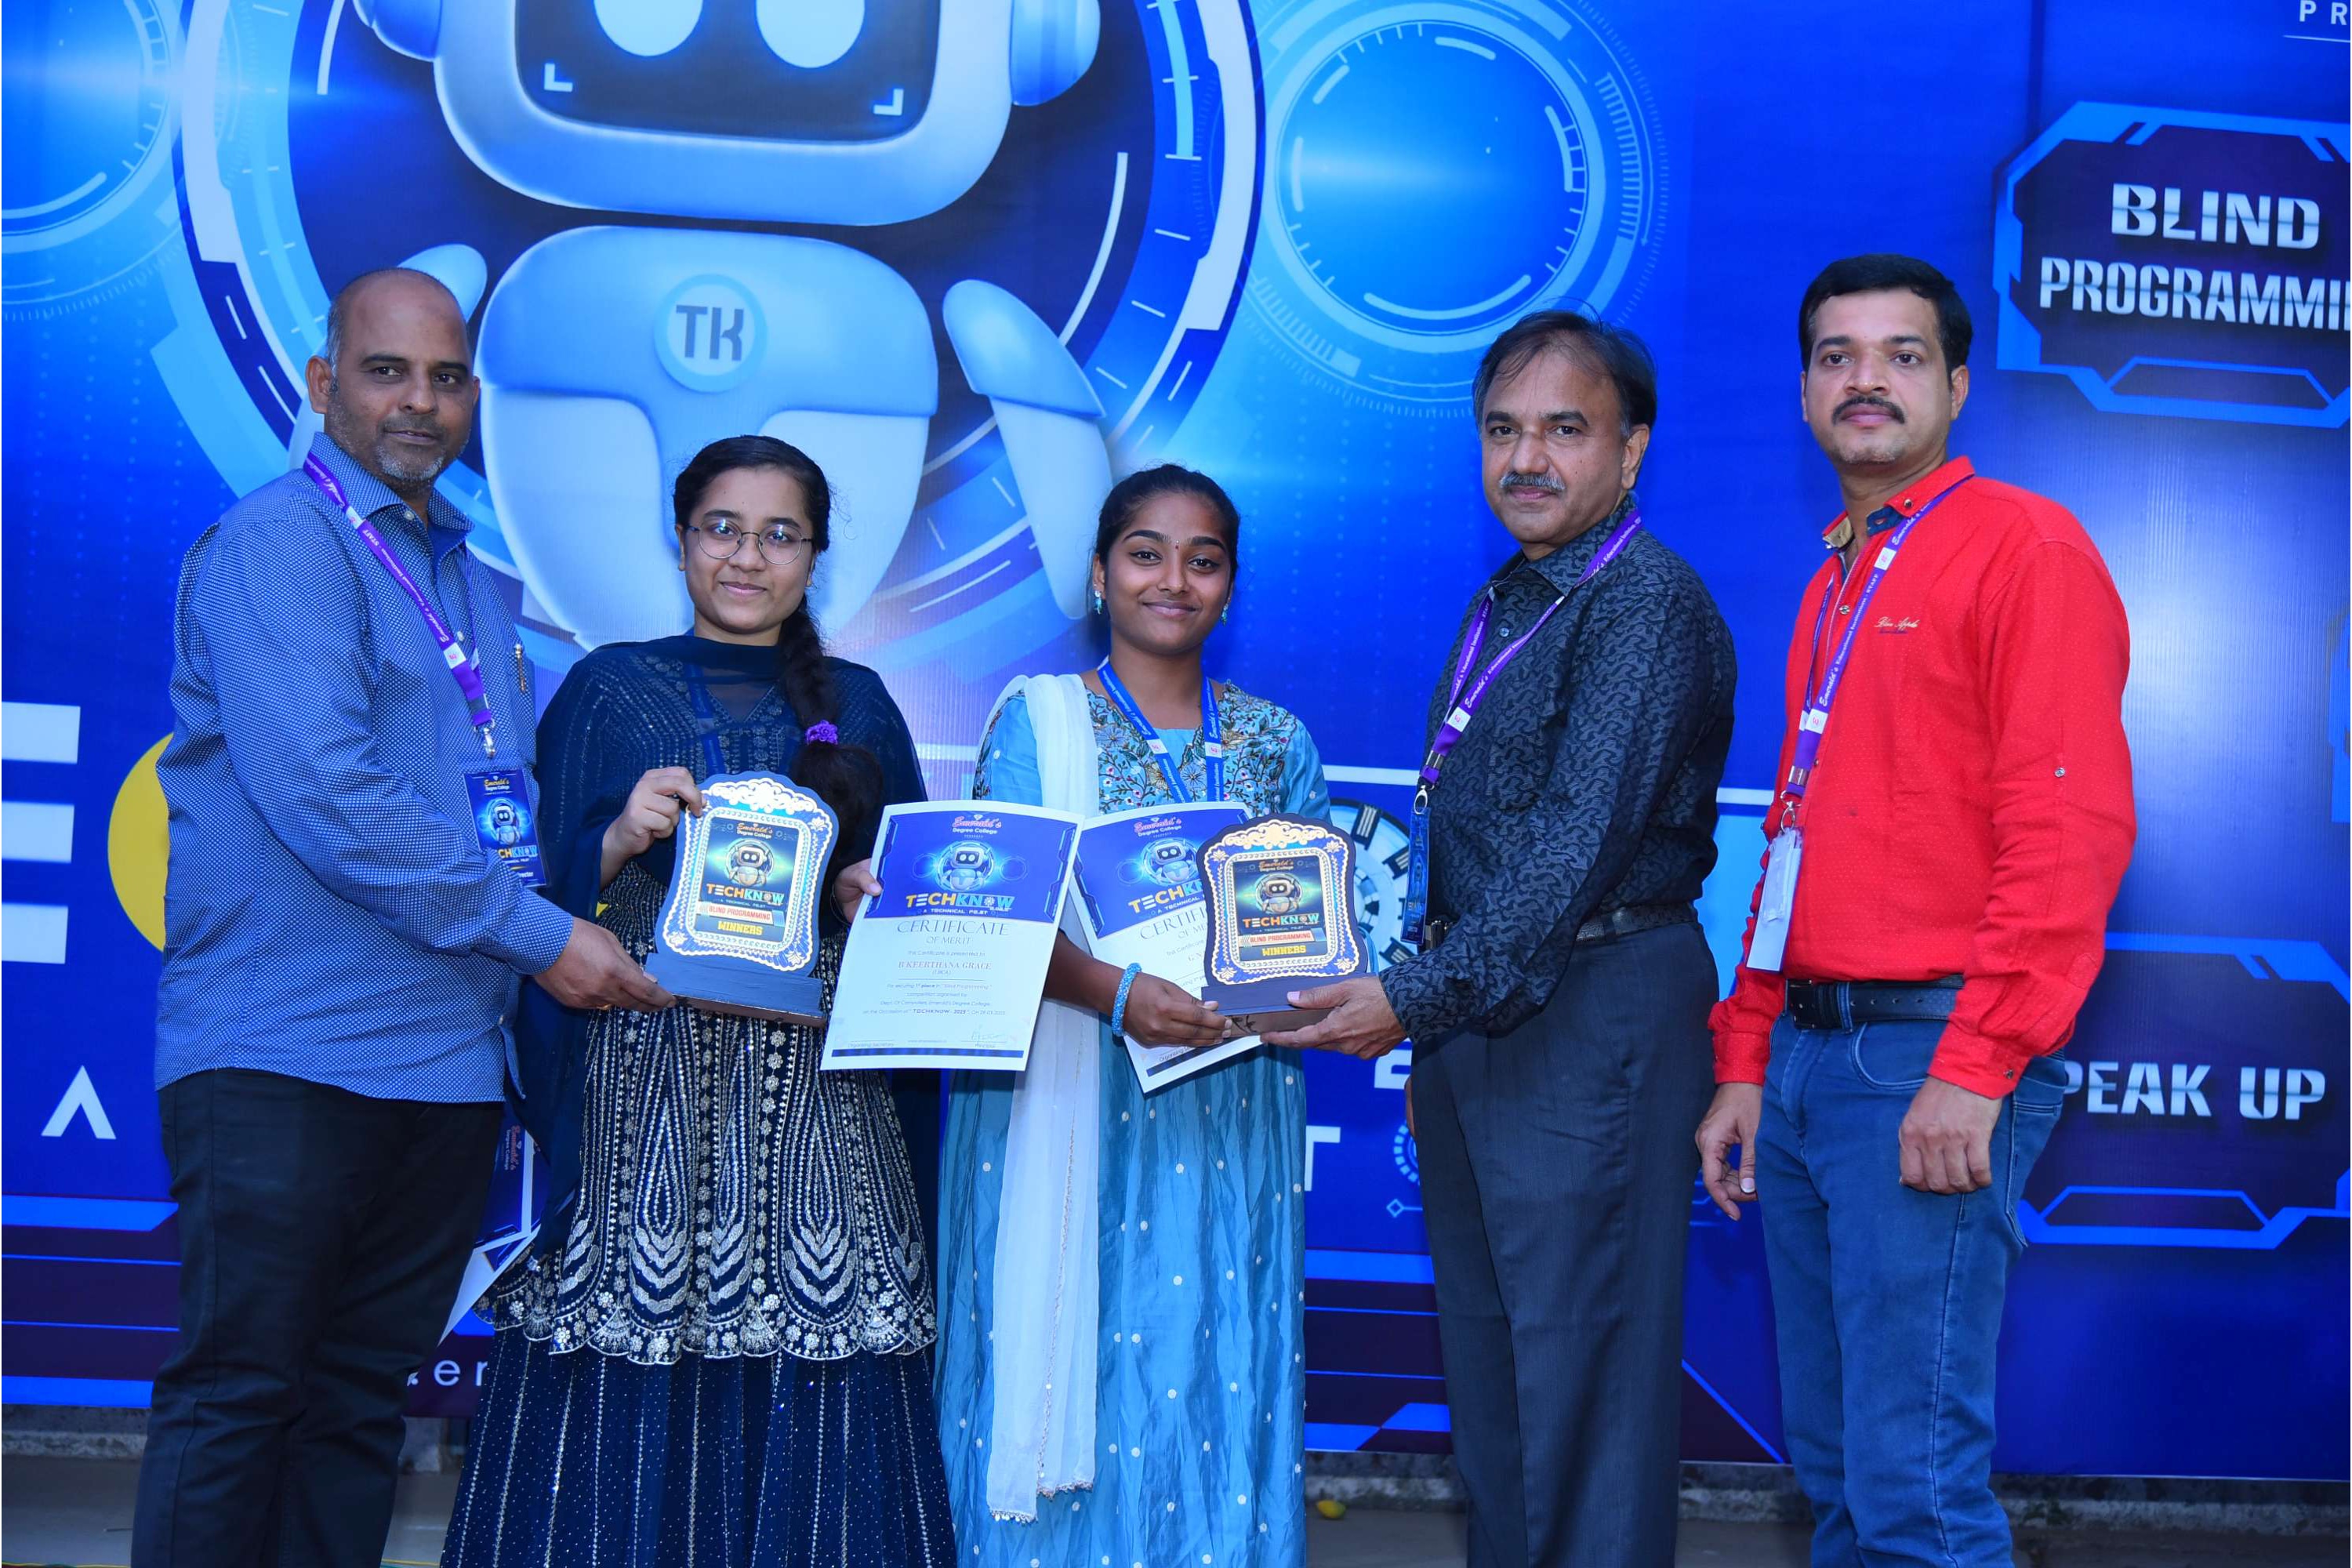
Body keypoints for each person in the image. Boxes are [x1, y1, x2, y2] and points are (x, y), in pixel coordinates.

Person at [136, 269, 666, 1568]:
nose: (418, 403)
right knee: (242, 1400)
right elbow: (327, 793)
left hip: (444, 1071)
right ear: (326, 385)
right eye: (386, 373)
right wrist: (543, 939)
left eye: (443, 378)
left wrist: (593, 867)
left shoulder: (476, 583)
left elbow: (490, 813)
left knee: (356, 1411)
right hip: (285, 1054)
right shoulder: (281, 543)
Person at [1265, 310, 1735, 1567]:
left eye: (1565, 430)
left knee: (1582, 1385)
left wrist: (1415, 1001)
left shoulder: (1644, 603)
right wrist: (1439, 1029)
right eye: (1503, 430)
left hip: (1594, 1009)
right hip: (1490, 1013)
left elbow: (1576, 846)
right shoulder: (1511, 596)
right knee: (1498, 1378)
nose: (1527, 459)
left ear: (1631, 450)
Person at [441, 435, 955, 1566]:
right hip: (641, 1087)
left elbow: (912, 911)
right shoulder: (608, 688)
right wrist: (618, 836)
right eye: (723, 528)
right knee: (628, 1357)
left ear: (814, 557)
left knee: (822, 1345)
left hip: (817, 1099)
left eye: (780, 535)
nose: (747, 557)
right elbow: (522, 890)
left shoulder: (861, 705)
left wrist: (865, 895)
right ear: (680, 541)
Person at [1694, 255, 2135, 1567]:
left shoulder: (2024, 547)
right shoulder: (1839, 575)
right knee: (1836, 1474)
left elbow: (2067, 831)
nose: (1865, 380)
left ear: (1956, 384)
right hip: (1810, 1059)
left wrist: (1978, 1063)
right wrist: (1748, 1059)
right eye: (1836, 356)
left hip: (1927, 1060)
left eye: (1901, 355)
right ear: (1805, 390)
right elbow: (1793, 839)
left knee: (1913, 1493)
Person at [935, 466, 1330, 1567]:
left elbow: (1309, 934)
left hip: (1230, 1101)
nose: (1173, 580)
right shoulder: (1038, 720)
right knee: (1066, 1342)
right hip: (1068, 1085)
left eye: (1203, 561)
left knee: (1210, 1355)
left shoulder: (1277, 741)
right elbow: (993, 917)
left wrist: (1297, 995)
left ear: (1230, 587)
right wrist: (1115, 995)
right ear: (1100, 575)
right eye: (1146, 554)